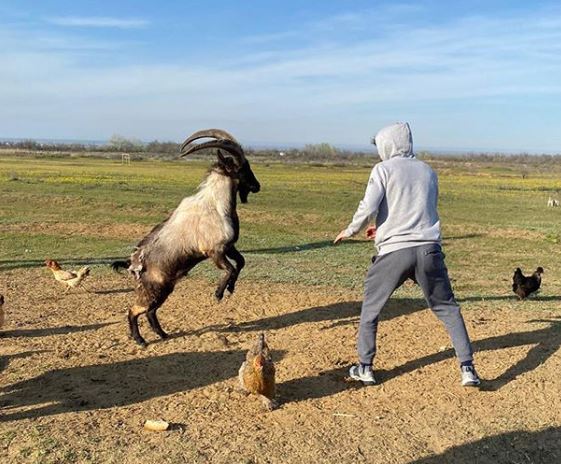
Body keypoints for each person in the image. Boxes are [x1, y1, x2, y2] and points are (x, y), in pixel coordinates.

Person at [334, 122, 480, 387]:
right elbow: (420, 210)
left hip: (394, 253)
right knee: (448, 308)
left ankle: (365, 367)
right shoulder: (428, 171)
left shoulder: (383, 169)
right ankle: (468, 369)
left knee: (370, 310)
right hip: (429, 250)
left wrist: (351, 229)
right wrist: (380, 228)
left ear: (387, 144)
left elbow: (369, 204)